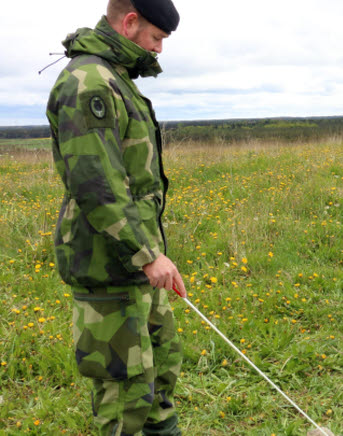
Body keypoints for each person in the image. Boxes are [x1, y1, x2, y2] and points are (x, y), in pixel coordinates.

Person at [46, 0, 185, 433]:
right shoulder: (88, 81)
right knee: (125, 390)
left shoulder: (116, 78)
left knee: (159, 369)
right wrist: (146, 253)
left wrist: (151, 255)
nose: (159, 50)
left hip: (137, 262)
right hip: (109, 263)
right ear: (129, 22)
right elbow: (96, 183)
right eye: (157, 38)